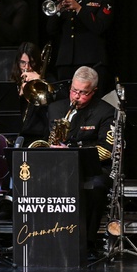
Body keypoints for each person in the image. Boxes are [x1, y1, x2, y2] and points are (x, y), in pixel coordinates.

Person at [42, 66, 115, 254]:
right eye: (74, 90)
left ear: (94, 91)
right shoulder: (55, 108)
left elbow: (107, 150)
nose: (76, 97)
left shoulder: (106, 111)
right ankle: (46, 236)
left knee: (96, 186)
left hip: (94, 169)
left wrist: (73, 151)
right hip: (59, 166)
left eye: (83, 93)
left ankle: (88, 241)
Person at [44, 0, 114, 89]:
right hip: (65, 62)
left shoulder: (103, 1)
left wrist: (78, 8)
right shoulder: (69, 3)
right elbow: (51, 30)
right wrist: (58, 9)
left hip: (90, 61)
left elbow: (99, 27)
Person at [12, 42, 51, 146]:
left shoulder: (45, 80)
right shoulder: (13, 81)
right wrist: (19, 94)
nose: (27, 67)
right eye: (22, 63)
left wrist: (39, 81)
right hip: (15, 134)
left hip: (35, 136)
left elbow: (49, 111)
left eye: (31, 63)